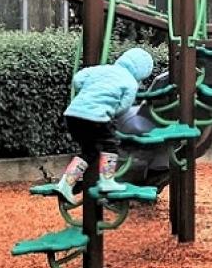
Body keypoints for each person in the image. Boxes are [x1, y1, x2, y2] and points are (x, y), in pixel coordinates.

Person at [52, 48, 155, 202]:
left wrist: (88, 92)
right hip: (96, 117)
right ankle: (107, 181)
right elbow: (123, 108)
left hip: (72, 115)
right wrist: (110, 111)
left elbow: (78, 79)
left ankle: (65, 184)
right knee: (110, 146)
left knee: (89, 152)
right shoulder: (130, 82)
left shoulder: (101, 69)